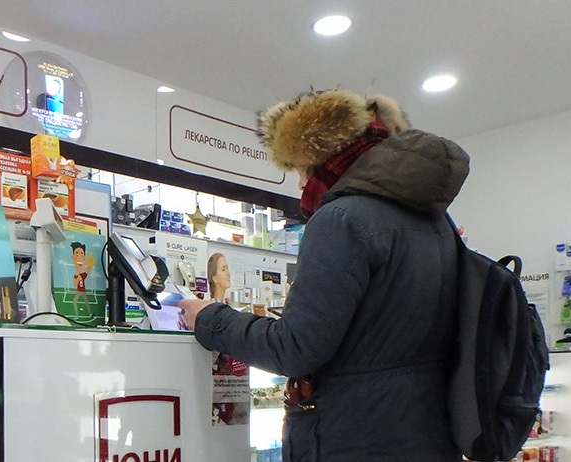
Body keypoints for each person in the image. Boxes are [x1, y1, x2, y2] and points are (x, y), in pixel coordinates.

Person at [179, 89, 469, 461]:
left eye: (301, 167)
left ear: (324, 157)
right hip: (428, 436)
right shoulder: (438, 224)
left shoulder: (341, 219)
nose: (300, 183)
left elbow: (295, 348)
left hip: (354, 439)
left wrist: (210, 318)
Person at [70, 242, 93, 318]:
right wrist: (76, 279)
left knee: (86, 302)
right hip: (79, 291)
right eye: (77, 255)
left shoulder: (82, 275)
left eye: (82, 255)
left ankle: (89, 313)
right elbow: (75, 285)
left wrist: (89, 265)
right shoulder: (76, 275)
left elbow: (87, 270)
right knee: (75, 302)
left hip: (82, 291)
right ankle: (77, 315)